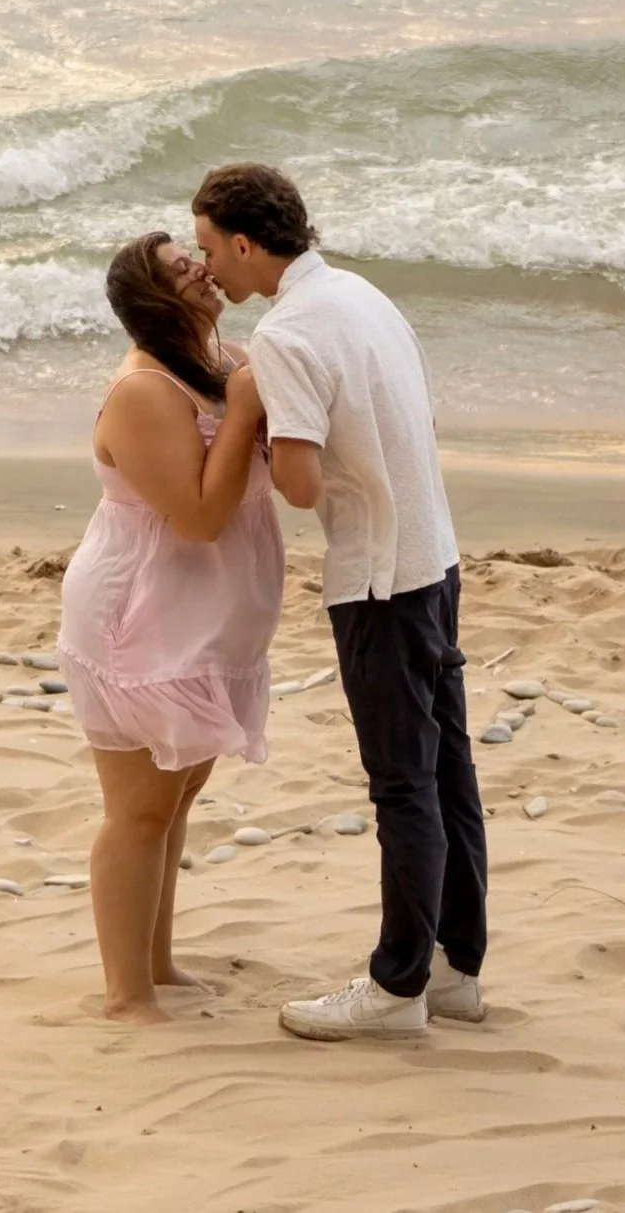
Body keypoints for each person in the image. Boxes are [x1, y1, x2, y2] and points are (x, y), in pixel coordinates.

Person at [190, 163, 488, 1041]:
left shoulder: (284, 336)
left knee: (404, 786)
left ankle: (396, 987)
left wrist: (249, 406)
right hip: (436, 555)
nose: (207, 268)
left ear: (246, 243)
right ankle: (455, 970)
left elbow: (302, 485)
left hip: (379, 578)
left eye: (209, 249)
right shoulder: (362, 293)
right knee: (449, 774)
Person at [55, 230, 285, 1026]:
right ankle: (127, 995)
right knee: (140, 807)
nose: (202, 267)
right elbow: (194, 517)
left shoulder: (216, 364)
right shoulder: (145, 392)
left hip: (204, 616)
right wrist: (251, 403)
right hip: (140, 613)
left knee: (180, 791)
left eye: (195, 254)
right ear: (155, 299)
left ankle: (155, 962)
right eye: (182, 267)